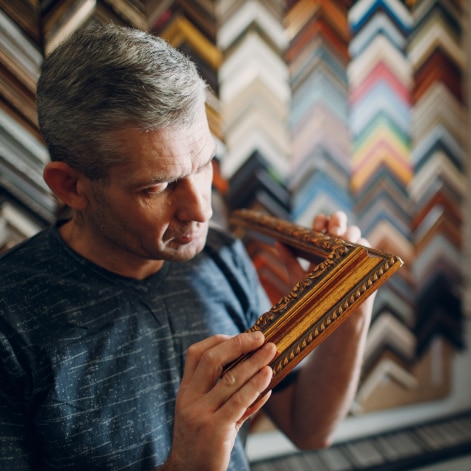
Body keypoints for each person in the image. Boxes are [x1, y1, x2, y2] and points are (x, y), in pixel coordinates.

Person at [0, 24, 374, 471]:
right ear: (71, 186)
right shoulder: (10, 323)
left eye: (204, 164)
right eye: (157, 187)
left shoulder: (222, 257)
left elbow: (308, 428)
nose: (201, 210)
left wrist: (349, 315)